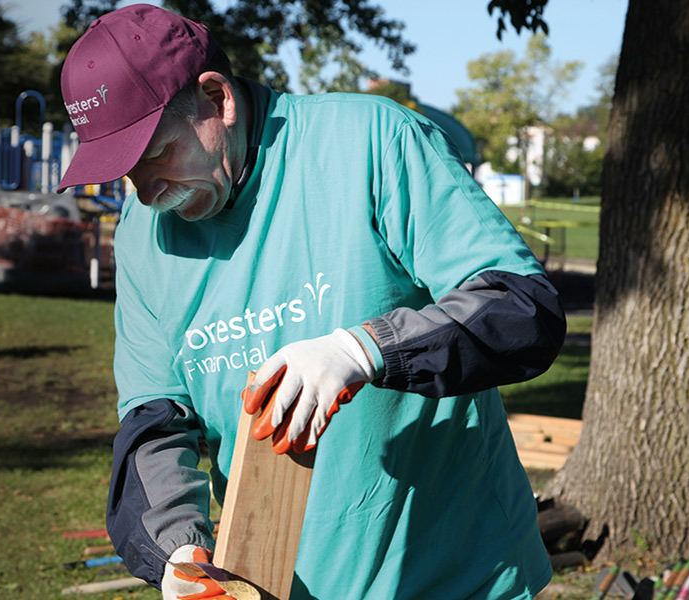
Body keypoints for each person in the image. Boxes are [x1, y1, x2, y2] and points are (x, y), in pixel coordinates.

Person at [55, 5, 566, 599]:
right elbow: (153, 421)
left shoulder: (369, 142)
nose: (145, 191)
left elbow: (521, 306)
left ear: (217, 99)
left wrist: (365, 349)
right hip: (279, 583)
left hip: (459, 576)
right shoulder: (144, 238)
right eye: (125, 172)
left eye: (156, 153)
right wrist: (177, 550)